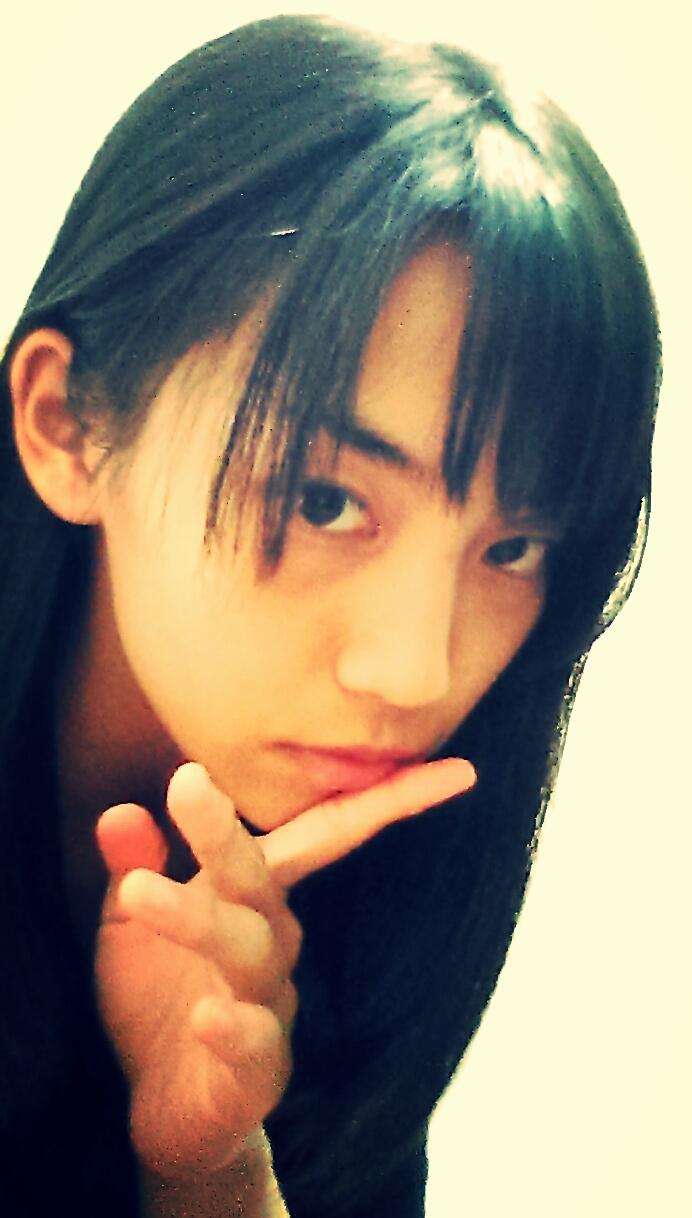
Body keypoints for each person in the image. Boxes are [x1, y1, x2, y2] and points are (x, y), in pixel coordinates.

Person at [0, 12, 659, 1218]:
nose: (417, 672)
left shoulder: (360, 913)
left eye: (511, 548)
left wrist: (209, 1170)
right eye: (324, 500)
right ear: (67, 425)